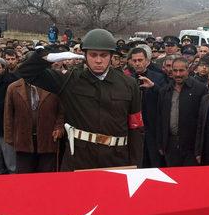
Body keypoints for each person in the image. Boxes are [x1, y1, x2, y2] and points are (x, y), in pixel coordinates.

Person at [17, 28, 144, 170]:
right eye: (93, 55)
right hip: (80, 157)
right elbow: (26, 72)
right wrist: (48, 56)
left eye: (103, 55)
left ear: (111, 56)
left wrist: (135, 164)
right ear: (84, 55)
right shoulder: (70, 80)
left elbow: (136, 127)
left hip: (117, 158)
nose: (98, 60)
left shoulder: (128, 84)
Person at [4, 72, 65, 173]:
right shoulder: (13, 88)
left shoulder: (54, 85)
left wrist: (59, 128)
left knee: (46, 176)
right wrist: (10, 138)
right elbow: (8, 115)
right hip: (23, 141)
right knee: (24, 177)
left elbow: (61, 112)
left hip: (48, 139)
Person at [156, 57, 207, 167]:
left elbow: (203, 121)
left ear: (188, 70)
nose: (178, 74)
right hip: (170, 145)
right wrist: (161, 143)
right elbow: (160, 118)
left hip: (191, 146)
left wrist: (200, 148)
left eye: (181, 70)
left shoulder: (200, 89)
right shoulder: (165, 91)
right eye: (175, 70)